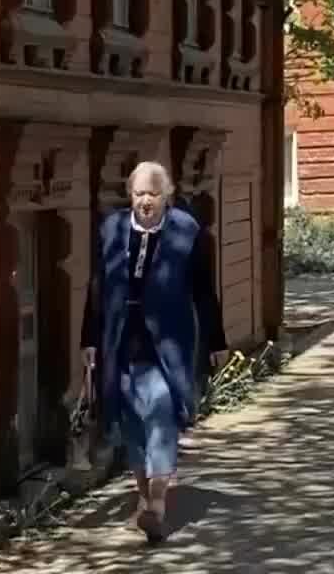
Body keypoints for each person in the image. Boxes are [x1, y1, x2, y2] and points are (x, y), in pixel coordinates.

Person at [81, 162, 226, 541]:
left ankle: (158, 506)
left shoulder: (186, 232)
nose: (145, 201)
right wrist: (90, 340)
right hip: (120, 340)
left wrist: (216, 341)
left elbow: (203, 291)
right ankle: (145, 503)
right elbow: (97, 288)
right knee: (132, 423)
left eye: (153, 194)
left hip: (168, 342)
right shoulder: (112, 229)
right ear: (130, 196)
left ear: (167, 196)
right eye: (139, 194)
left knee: (161, 413)